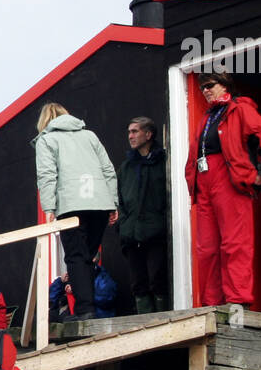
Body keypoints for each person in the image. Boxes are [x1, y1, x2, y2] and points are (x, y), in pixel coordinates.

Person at [184, 68, 261, 308]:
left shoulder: (240, 109)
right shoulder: (207, 118)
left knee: (234, 242)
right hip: (204, 182)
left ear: (224, 84)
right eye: (202, 87)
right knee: (206, 247)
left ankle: (237, 300)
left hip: (229, 180)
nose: (205, 91)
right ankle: (212, 303)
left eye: (210, 85)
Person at [33, 102, 119, 321]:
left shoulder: (46, 139)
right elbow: (108, 169)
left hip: (71, 205)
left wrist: (49, 207)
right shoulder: (89, 136)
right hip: (98, 203)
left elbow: (47, 174)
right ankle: (87, 310)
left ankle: (84, 311)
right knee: (87, 257)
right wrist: (112, 203)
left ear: (44, 121)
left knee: (75, 257)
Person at [117, 115, 170, 313]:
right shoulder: (126, 167)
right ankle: (145, 327)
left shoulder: (163, 161)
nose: (130, 136)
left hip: (156, 231)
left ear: (148, 134)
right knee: (138, 283)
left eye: (135, 131)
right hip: (131, 233)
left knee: (158, 279)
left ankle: (163, 325)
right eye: (129, 132)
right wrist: (123, 224)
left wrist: (161, 220)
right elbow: (120, 198)